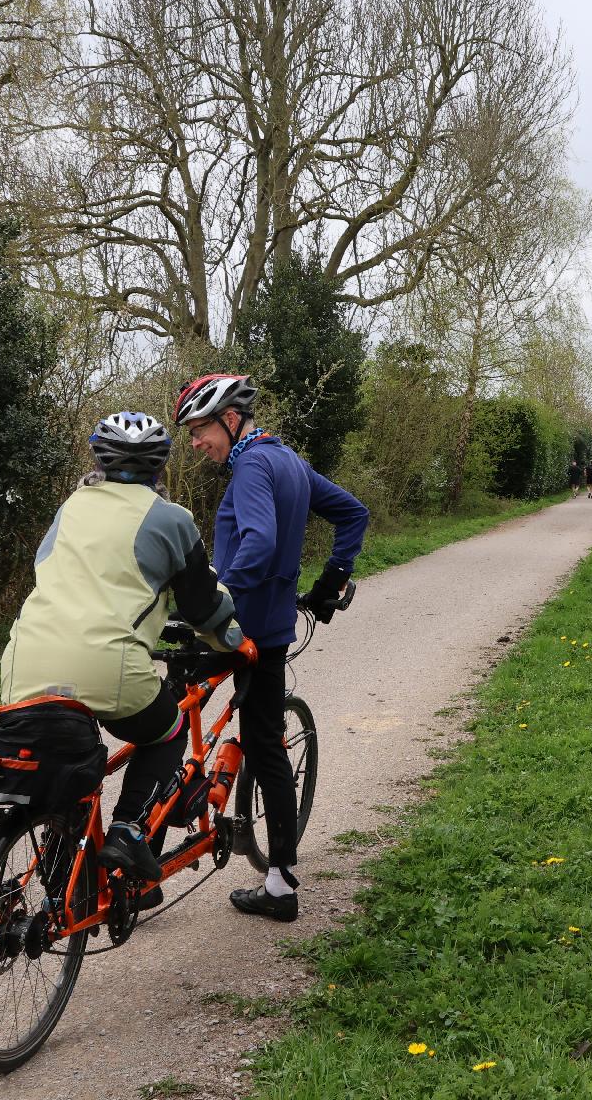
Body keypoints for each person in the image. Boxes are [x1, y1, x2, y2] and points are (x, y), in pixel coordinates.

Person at [0, 412, 249, 902]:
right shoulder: (173, 519)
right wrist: (235, 641)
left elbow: (45, 568)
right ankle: (129, 831)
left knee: (67, 757)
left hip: (24, 662)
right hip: (108, 669)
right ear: (160, 469)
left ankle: (77, 877)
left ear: (99, 462)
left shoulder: (71, 507)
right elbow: (202, 607)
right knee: (168, 728)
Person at [175, 372, 369, 921]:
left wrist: (216, 599)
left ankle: (144, 845)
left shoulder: (253, 466)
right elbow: (353, 513)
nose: (195, 444)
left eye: (199, 430)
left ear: (230, 420)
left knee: (166, 709)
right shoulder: (290, 461)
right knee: (266, 745)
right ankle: (279, 881)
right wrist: (332, 581)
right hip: (276, 629)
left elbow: (257, 542)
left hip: (239, 629)